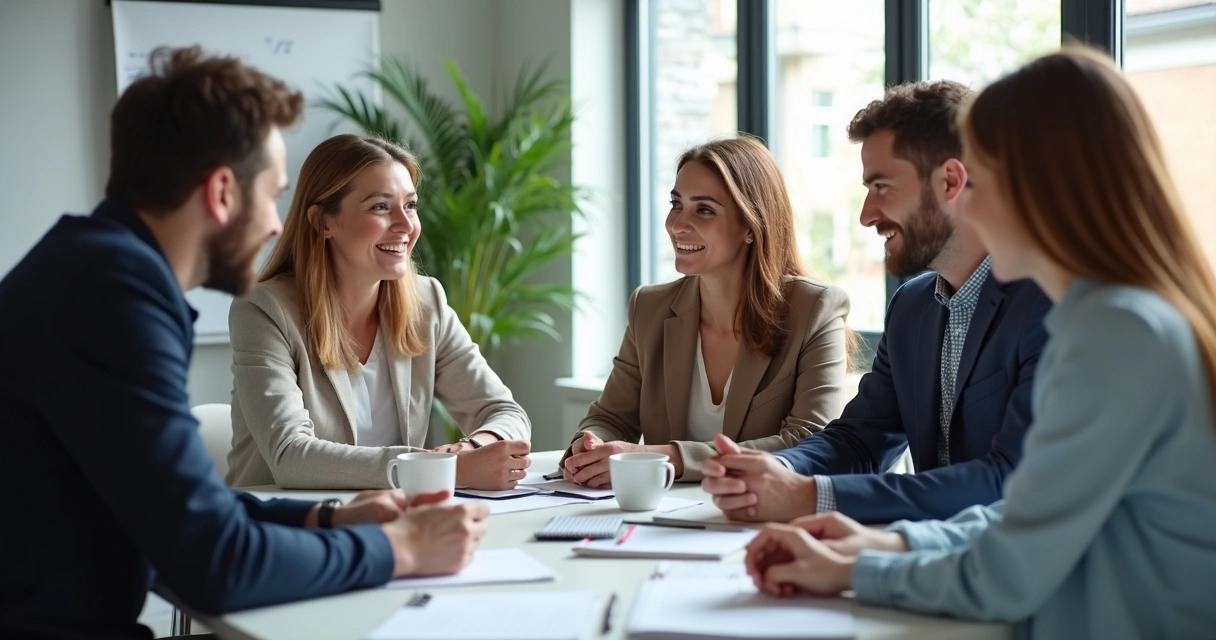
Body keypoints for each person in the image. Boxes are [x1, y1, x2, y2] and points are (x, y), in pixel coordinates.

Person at [0, 48, 489, 639]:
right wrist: (399, 551)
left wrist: (326, 515)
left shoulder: (93, 268)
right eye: (271, 194)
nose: (277, 225)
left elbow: (187, 507)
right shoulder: (114, 299)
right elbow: (214, 562)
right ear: (223, 192)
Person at [743, 47, 1216, 638]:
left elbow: (1010, 568)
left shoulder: (1117, 331)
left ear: (1045, 187)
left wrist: (861, 569)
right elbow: (1024, 517)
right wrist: (888, 542)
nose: (972, 204)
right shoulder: (1117, 316)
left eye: (982, 180)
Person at [701, 81, 1052, 523]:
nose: (867, 214)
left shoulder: (1050, 303)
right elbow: (859, 439)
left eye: (882, 186)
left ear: (950, 180)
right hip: (925, 561)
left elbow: (1009, 480)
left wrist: (810, 497)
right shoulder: (912, 307)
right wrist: (778, 469)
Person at [226, 134, 531, 490]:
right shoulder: (264, 310)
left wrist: (471, 448)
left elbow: (506, 413)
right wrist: (439, 470)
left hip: (395, 522)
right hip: (287, 528)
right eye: (381, 207)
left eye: (411, 205)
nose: (406, 226)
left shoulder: (426, 302)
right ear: (323, 222)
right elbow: (291, 456)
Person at [561, 136, 853, 486]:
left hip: (764, 518)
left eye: (704, 210)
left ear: (750, 224)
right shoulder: (649, 308)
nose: (677, 224)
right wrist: (590, 444)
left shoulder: (814, 310)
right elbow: (610, 417)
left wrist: (662, 458)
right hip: (664, 519)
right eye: (676, 203)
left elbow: (808, 443)